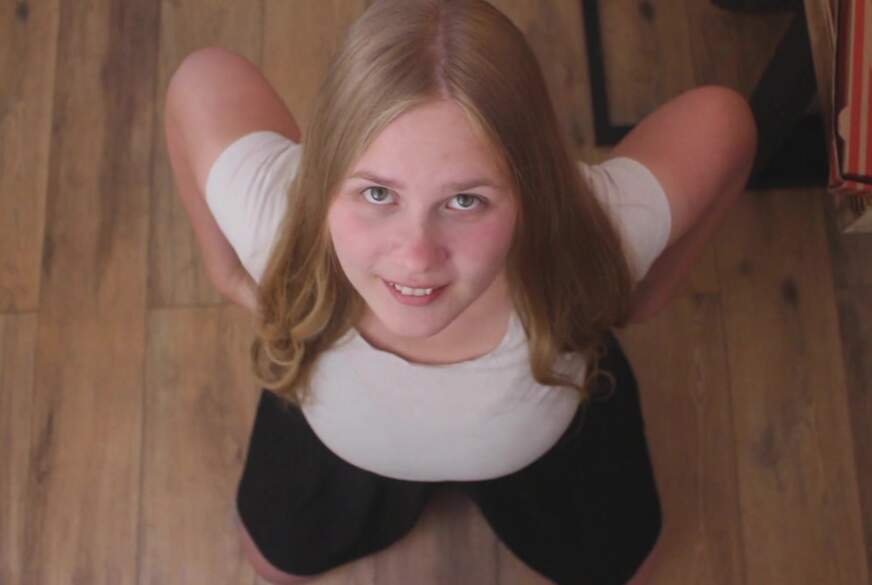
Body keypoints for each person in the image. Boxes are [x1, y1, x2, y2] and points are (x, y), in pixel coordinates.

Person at [163, 1, 757, 583]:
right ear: (323, 178)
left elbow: (727, 122)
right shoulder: (275, 223)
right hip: (336, 446)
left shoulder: (594, 234)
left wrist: (647, 292)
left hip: (552, 444)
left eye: (465, 200)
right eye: (377, 194)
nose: (416, 258)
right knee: (274, 562)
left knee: (622, 569)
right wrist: (228, 272)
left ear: (531, 190)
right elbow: (196, 81)